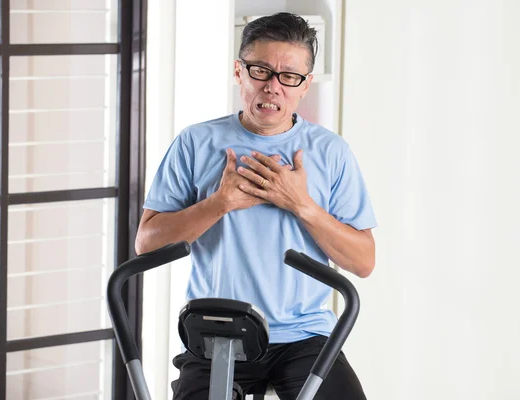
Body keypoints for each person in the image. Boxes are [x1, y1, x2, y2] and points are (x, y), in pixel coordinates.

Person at [136, 12, 377, 400]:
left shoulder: (331, 152)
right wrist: (219, 203)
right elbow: (147, 243)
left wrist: (302, 205)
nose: (273, 87)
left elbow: (363, 261)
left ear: (305, 85)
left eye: (289, 76)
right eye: (261, 70)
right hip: (217, 327)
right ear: (239, 72)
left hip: (304, 336)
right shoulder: (196, 143)